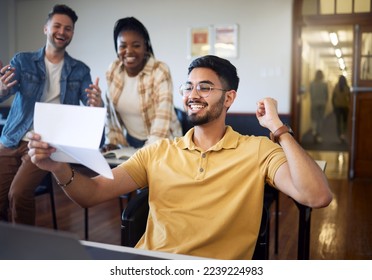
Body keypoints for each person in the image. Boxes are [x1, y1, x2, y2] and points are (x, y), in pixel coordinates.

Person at [27, 55, 332, 260]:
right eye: (189, 87)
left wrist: (277, 128)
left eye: (205, 87)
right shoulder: (159, 151)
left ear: (229, 98)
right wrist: (56, 166)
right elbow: (92, 194)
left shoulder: (258, 150)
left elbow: (316, 195)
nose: (192, 94)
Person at [0, 4, 103, 226]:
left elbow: (90, 105)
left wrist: (97, 103)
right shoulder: (23, 60)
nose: (62, 32)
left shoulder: (80, 70)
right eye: (57, 26)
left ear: (72, 34)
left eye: (68, 28)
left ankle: (23, 249)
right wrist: (2, 90)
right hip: (13, 138)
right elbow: (5, 91)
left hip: (47, 144)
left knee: (18, 194)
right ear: (45, 28)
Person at [101, 17, 182, 151]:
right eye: (123, 46)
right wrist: (112, 142)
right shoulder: (113, 70)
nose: (129, 51)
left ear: (146, 47)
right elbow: (111, 114)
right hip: (130, 142)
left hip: (165, 142)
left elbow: (162, 117)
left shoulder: (160, 70)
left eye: (136, 45)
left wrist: (146, 152)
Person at [309, 70, 329, 143]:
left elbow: (310, 94)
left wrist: (313, 100)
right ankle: (318, 134)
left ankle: (314, 132)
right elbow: (327, 95)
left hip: (314, 103)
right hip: (322, 103)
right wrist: (324, 101)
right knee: (320, 119)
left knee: (314, 118)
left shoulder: (312, 83)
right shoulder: (324, 84)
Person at [332, 75, 350, 142]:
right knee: (345, 122)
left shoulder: (336, 87)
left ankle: (340, 136)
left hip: (337, 107)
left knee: (338, 122)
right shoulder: (347, 87)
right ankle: (343, 134)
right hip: (345, 107)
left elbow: (333, 98)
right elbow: (350, 98)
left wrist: (333, 106)